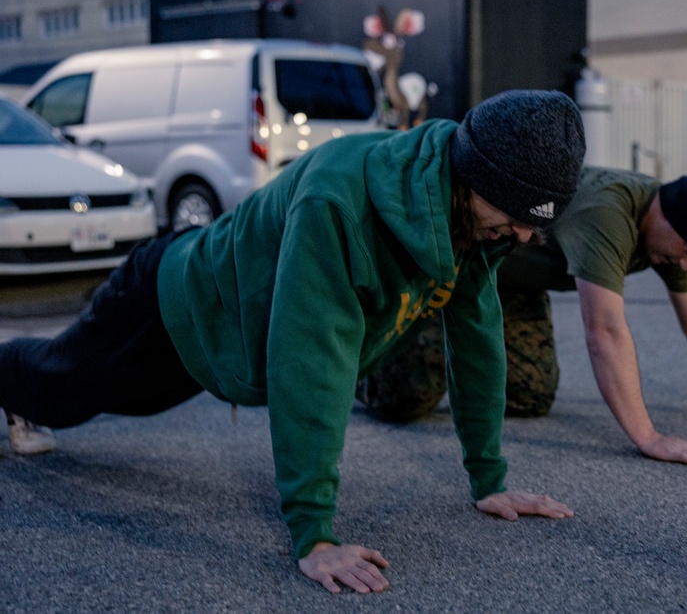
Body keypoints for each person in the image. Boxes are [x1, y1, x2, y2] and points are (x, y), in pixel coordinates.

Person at [0, 89, 585, 595]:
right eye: (515, 213)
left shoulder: (474, 221)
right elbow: (312, 362)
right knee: (59, 389)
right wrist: (315, 533)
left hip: (227, 319)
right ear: (473, 174)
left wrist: (490, 479)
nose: (527, 235)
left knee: (129, 403)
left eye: (538, 221)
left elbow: (477, 337)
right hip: (170, 298)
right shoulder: (339, 201)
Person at [358, 166, 687, 466]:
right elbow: (605, 330)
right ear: (666, 213)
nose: (686, 265)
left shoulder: (666, 239)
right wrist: (649, 438)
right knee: (408, 396)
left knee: (532, 396)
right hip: (451, 265)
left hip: (515, 283)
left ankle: (461, 361)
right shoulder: (609, 213)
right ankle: (360, 357)